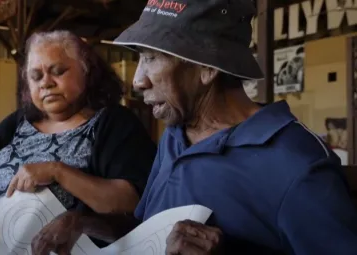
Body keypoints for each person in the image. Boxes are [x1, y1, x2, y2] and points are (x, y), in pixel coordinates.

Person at [30, 0, 357, 254]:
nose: (137, 80)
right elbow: (147, 231)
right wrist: (84, 224)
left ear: (206, 68)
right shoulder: (175, 135)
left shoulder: (297, 167)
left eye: (153, 58)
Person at [0, 30, 157, 254]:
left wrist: (58, 171)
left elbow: (130, 201)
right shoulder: (21, 120)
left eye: (58, 71)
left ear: (86, 70)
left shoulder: (112, 123)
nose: (46, 83)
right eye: (36, 76)